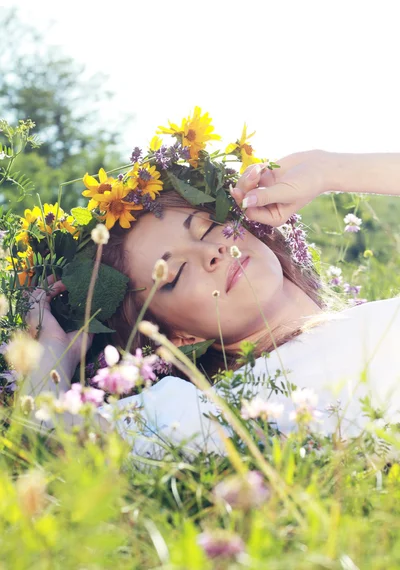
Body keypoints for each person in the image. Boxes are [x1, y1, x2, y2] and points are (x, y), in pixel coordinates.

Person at [24, 149, 400, 457]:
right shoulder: (216, 410)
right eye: (177, 272)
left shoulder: (379, 317)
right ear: (177, 335)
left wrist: (327, 168)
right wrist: (52, 353)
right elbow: (53, 441)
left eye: (206, 227)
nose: (212, 252)